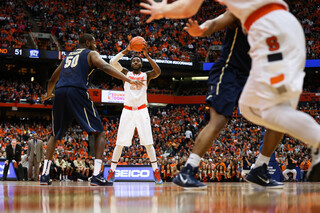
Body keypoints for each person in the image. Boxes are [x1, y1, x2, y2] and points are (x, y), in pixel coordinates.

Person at [140, 0, 320, 185]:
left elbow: (189, 8)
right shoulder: (238, 12)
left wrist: (164, 10)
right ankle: (188, 169)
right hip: (230, 70)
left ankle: (262, 167)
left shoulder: (256, 10)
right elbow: (215, 22)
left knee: (277, 115)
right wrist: (200, 30)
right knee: (223, 118)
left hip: (259, 65)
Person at [40, 33, 144, 186]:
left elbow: (53, 78)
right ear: (88, 42)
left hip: (60, 92)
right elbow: (105, 66)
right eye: (94, 42)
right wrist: (127, 79)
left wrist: (49, 94)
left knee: (54, 134)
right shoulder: (90, 53)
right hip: (77, 91)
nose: (96, 45)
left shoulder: (68, 57)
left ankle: (44, 174)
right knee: (100, 132)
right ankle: (96, 175)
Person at [107, 43, 163, 184]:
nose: (136, 61)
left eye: (138, 60)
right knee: (119, 143)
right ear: (131, 64)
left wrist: (148, 56)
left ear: (141, 63)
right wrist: (126, 50)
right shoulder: (125, 73)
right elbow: (112, 62)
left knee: (149, 143)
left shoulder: (146, 75)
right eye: (134, 60)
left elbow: (158, 71)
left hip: (142, 110)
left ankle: (156, 171)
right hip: (127, 110)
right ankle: (112, 171)